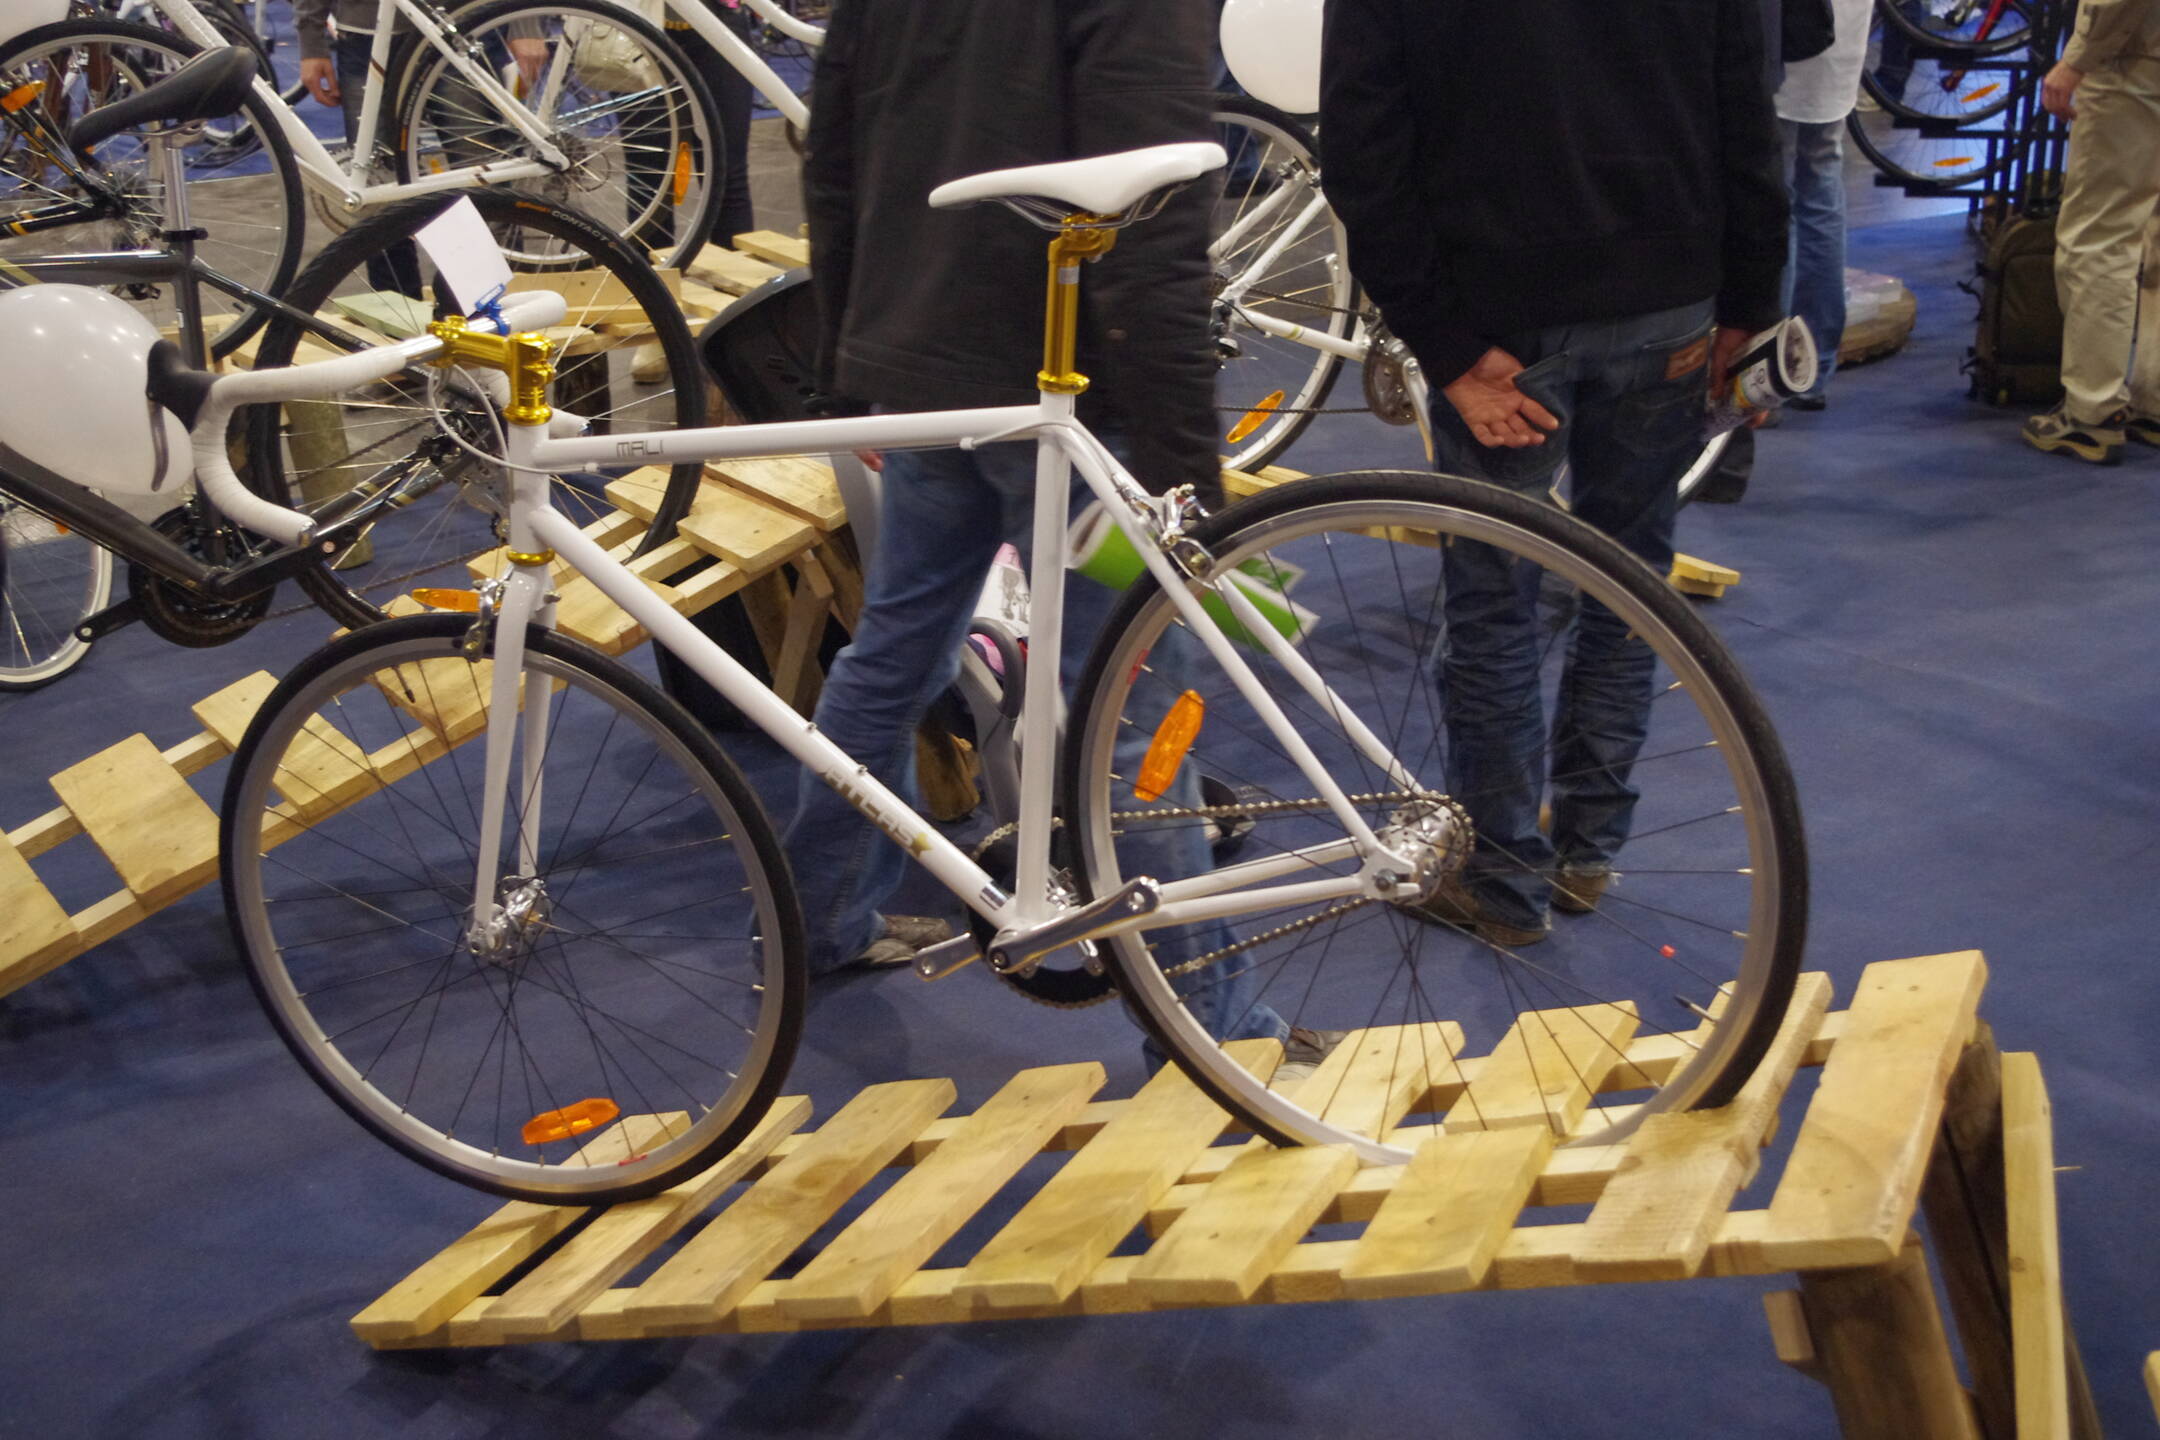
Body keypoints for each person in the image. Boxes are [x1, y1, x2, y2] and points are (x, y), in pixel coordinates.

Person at [788, 0, 1298, 1058]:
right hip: (1068, 384)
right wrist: (1182, 464)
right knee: (1127, 711)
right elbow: (1157, 216)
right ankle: (1213, 1034)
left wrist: (855, 369)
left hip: (930, 362)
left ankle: (818, 920)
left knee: (894, 656)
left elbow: (832, 161)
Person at [1319, 0, 1788, 946]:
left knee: (1497, 600)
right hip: (1666, 296)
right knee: (1629, 581)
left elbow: (1363, 147)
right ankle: (1586, 849)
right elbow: (1748, 108)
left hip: (1502, 313)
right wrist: (1749, 301)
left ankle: (1505, 878)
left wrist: (1445, 344)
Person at [2023, 0, 2160, 464]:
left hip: (2135, 63)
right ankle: (2154, 403)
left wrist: (2076, 59)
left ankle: (2092, 413)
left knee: (2100, 237)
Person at [1773, 0, 1873, 410]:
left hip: (1782, 39)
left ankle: (1768, 372)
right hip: (1840, 37)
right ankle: (1808, 369)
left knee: (1772, 197)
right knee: (1820, 182)